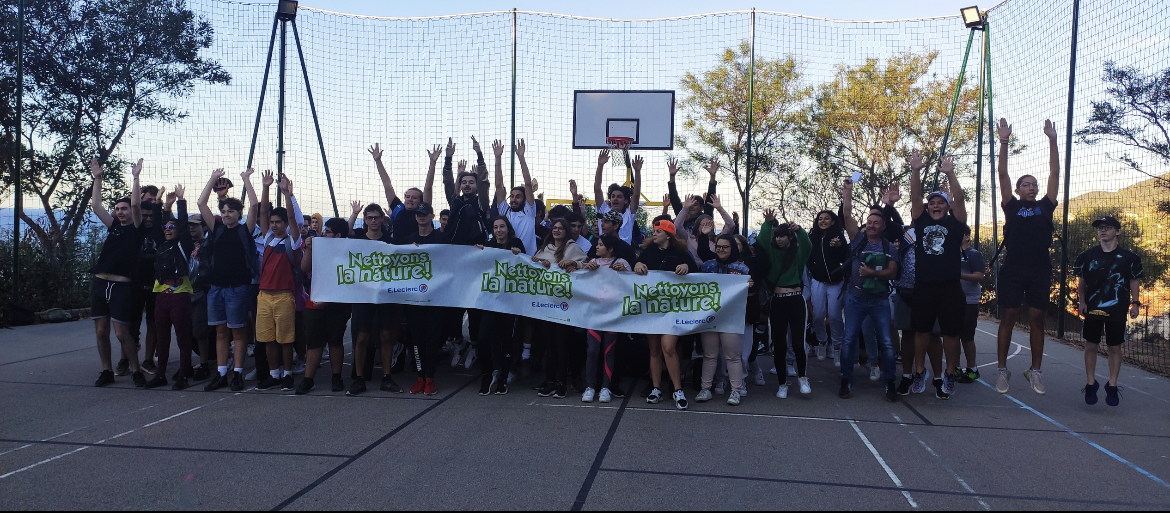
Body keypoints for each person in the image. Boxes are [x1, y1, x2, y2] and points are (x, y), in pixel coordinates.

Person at [994, 118, 1061, 395]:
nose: (1031, 187)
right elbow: (1002, 174)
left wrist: (1052, 140)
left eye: (1034, 184)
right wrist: (1004, 142)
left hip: (1039, 270)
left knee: (1037, 319)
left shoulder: (1045, 206)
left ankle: (1035, 371)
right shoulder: (1011, 206)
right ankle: (1002, 370)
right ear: (1018, 190)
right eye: (1026, 184)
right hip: (1013, 269)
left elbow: (1055, 173)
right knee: (1008, 316)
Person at [908, 152, 968, 399]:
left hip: (950, 287)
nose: (935, 205)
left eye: (940, 202)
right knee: (921, 332)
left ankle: (949, 374)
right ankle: (919, 372)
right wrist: (915, 171)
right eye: (931, 202)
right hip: (924, 286)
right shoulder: (920, 220)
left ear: (947, 206)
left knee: (950, 334)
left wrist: (950, 173)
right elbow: (915, 197)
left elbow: (960, 199)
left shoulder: (956, 223)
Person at [197, 168, 261, 392]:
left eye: (231, 211)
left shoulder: (245, 230)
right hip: (216, 288)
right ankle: (222, 373)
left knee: (238, 332)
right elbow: (201, 203)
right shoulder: (217, 229)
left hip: (237, 288)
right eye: (223, 211)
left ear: (239, 213)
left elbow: (254, 205)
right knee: (221, 332)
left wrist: (246, 179)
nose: (226, 214)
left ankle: (238, 374)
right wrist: (213, 178)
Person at [839, 177, 900, 401]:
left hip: (879, 300)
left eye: (876, 223)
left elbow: (892, 273)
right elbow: (847, 215)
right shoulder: (858, 240)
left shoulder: (889, 248)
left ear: (883, 227)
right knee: (849, 340)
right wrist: (848, 191)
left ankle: (890, 381)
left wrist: (873, 273)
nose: (872, 225)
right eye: (869, 221)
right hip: (855, 298)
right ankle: (846, 379)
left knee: (886, 342)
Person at [90, 158, 147, 387]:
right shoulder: (113, 226)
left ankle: (136, 371)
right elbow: (96, 206)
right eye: (117, 209)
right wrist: (97, 179)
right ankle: (107, 370)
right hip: (100, 283)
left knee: (121, 332)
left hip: (121, 286)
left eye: (124, 208)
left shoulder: (137, 229)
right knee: (101, 331)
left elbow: (136, 205)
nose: (120, 212)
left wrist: (136, 177)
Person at [1075, 216, 1143, 407]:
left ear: (1117, 232)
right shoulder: (1087, 256)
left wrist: (1135, 303)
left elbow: (1134, 280)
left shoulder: (1130, 258)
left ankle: (1112, 385)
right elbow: (1081, 281)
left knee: (1114, 346)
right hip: (1093, 306)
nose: (1103, 230)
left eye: (1107, 227)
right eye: (1100, 228)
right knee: (1091, 344)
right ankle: (1091, 383)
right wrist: (1082, 301)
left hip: (1117, 308)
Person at [634, 216, 699, 410]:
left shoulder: (681, 253)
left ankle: (677, 389)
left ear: (668, 235)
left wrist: (687, 267)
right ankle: (656, 388)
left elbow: (696, 272)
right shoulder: (647, 252)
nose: (654, 234)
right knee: (654, 349)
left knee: (668, 347)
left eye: (658, 231)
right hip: (652, 308)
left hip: (673, 309)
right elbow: (636, 268)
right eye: (654, 231)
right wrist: (637, 265)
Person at [442, 137, 491, 369]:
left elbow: (485, 181)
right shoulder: (455, 201)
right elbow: (446, 182)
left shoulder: (481, 203)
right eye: (464, 182)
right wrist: (448, 159)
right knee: (453, 307)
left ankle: (474, 345)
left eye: (471, 181)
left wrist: (480, 155)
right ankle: (458, 342)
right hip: (456, 261)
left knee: (474, 308)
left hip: (476, 262)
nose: (468, 184)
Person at [253, 175, 305, 392]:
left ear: (285, 224)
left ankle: (287, 374)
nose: (273, 225)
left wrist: (287, 195)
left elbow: (292, 218)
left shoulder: (293, 241)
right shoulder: (267, 238)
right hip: (264, 296)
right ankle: (274, 374)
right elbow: (263, 212)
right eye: (272, 222)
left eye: (278, 222)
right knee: (267, 339)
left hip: (284, 295)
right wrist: (265, 188)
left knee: (285, 340)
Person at [346, 202, 401, 396]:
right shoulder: (358, 240)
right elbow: (343, 235)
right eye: (369, 218)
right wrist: (354, 214)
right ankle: (359, 378)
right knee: (362, 337)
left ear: (381, 219)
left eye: (376, 217)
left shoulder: (391, 242)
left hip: (385, 295)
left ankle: (387, 377)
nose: (373, 221)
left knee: (386, 336)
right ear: (365, 220)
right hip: (363, 295)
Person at [143, 185, 196, 390]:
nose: (167, 229)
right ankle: (160, 374)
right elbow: (157, 225)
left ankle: (183, 374)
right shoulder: (161, 243)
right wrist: (159, 203)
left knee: (183, 338)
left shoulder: (183, 245)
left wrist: (181, 201)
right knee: (162, 338)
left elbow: (183, 225)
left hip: (179, 296)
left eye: (171, 227)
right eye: (165, 227)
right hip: (161, 296)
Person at [757, 209, 812, 398]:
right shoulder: (773, 253)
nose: (779, 239)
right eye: (777, 236)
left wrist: (800, 230)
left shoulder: (798, 254)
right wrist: (768, 223)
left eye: (782, 236)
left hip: (796, 300)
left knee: (798, 343)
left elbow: (807, 245)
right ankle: (782, 384)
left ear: (790, 237)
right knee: (778, 344)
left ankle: (803, 378)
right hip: (777, 301)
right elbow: (763, 241)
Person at [532, 218, 589, 398]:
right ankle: (550, 381)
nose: (556, 231)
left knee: (562, 344)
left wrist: (574, 264)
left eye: (560, 228)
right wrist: (538, 262)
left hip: (565, 305)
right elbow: (532, 265)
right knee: (550, 345)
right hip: (547, 304)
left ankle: (562, 383)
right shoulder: (544, 249)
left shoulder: (573, 248)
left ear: (566, 231)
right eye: (554, 228)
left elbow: (587, 265)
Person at [297, 217, 352, 394]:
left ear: (338, 235)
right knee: (314, 342)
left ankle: (336, 377)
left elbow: (347, 280)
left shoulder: (347, 251)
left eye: (327, 232)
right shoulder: (318, 247)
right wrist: (309, 248)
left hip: (337, 304)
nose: (323, 234)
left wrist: (329, 300)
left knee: (335, 341)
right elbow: (305, 267)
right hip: (315, 303)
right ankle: (308, 379)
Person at [696, 233, 750, 406]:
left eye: (725, 247)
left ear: (732, 248)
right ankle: (705, 389)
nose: (721, 250)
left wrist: (750, 286)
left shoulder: (743, 269)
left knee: (732, 355)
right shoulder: (706, 266)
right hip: (709, 316)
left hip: (731, 317)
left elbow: (749, 295)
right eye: (718, 246)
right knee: (709, 354)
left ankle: (735, 391)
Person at [475, 215, 526, 396]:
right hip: (490, 301)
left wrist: (518, 255)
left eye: (502, 226)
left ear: (508, 228)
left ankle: (503, 378)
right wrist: (477, 253)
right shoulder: (488, 245)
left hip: (509, 302)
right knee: (483, 338)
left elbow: (525, 265)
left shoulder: (516, 243)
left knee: (507, 340)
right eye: (495, 227)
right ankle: (487, 375)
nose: (499, 230)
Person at [580, 234, 632, 403]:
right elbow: (580, 281)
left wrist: (625, 272)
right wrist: (586, 268)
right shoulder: (593, 262)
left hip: (612, 315)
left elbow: (632, 285)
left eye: (601, 245)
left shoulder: (621, 263)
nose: (597, 247)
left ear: (610, 249)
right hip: (594, 314)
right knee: (592, 350)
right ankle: (590, 386)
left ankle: (605, 387)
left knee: (608, 351)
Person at [405, 203, 448, 396]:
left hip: (435, 297)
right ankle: (420, 376)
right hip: (414, 298)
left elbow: (455, 259)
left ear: (432, 216)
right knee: (416, 338)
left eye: (424, 214)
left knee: (432, 338)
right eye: (418, 214)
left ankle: (430, 377)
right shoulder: (409, 239)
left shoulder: (440, 238)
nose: (421, 217)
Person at [368, 142, 438, 245]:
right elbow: (387, 185)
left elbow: (428, 187)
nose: (410, 199)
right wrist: (378, 161)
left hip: (418, 250)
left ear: (420, 201)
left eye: (414, 198)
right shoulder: (398, 209)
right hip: (399, 251)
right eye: (407, 197)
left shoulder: (423, 210)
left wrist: (433, 163)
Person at [493, 139, 538, 255]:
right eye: (512, 196)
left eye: (518, 197)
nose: (513, 199)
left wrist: (521, 158)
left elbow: (528, 184)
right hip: (508, 260)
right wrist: (498, 158)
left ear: (524, 199)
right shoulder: (505, 212)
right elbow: (498, 186)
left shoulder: (529, 211)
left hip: (528, 260)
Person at [593, 146, 642, 245]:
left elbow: (636, 195)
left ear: (626, 200)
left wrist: (637, 172)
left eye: (619, 197)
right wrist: (600, 165)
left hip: (623, 252)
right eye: (613, 196)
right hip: (605, 251)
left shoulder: (629, 213)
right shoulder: (604, 210)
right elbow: (597, 189)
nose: (615, 199)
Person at [957, 226, 986, 383]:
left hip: (969, 301)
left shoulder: (973, 254)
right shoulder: (950, 253)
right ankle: (954, 368)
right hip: (952, 299)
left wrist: (959, 275)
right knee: (952, 335)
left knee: (967, 336)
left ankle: (972, 369)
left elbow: (979, 276)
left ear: (967, 237)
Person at [667, 156, 718, 232]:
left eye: (695, 204)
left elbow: (710, 198)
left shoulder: (705, 217)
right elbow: (674, 199)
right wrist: (672, 176)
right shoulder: (682, 216)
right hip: (685, 239)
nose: (691, 207)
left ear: (701, 207)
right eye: (690, 204)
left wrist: (712, 176)